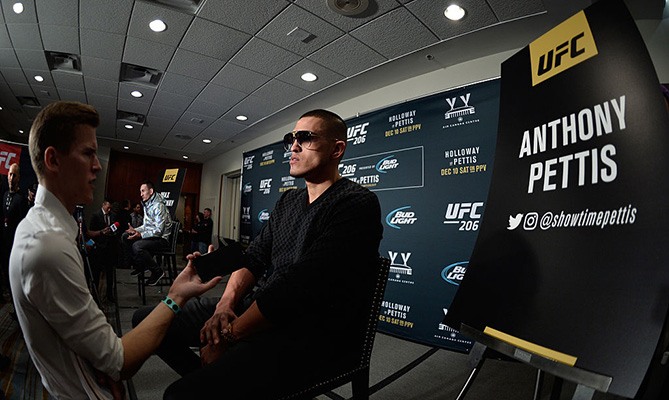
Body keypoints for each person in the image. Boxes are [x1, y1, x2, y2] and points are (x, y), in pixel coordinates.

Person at [133, 109, 383, 398]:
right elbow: (252, 257)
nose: (293, 147)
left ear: (337, 149)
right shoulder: (289, 199)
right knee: (148, 321)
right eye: (292, 139)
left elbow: (298, 289)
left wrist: (228, 336)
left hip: (303, 331)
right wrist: (224, 306)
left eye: (306, 138)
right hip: (256, 307)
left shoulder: (357, 204)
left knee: (178, 395)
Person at [9, 101, 222, 399]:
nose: (97, 165)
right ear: (53, 160)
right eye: (88, 153)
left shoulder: (50, 231)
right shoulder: (48, 247)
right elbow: (118, 362)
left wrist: (94, 363)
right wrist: (176, 297)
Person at [125, 181, 172, 286]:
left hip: (162, 239)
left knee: (137, 246)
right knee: (126, 237)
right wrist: (136, 230)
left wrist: (141, 235)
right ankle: (141, 265)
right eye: (140, 191)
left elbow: (159, 231)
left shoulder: (159, 206)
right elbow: (146, 226)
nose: (141, 194)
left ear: (150, 191)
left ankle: (157, 271)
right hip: (152, 237)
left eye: (143, 191)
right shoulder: (147, 204)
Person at [1, 163, 29, 299]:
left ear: (18, 178)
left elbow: (23, 224)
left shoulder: (21, 199)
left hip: (14, 244)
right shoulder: (5, 194)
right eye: (10, 174)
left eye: (14, 175)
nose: (11, 178)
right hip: (3, 243)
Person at [87, 199, 117, 301]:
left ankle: (109, 295)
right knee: (96, 273)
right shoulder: (96, 215)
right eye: (107, 207)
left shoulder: (113, 216)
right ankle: (95, 295)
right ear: (103, 205)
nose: (109, 210)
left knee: (110, 274)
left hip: (109, 248)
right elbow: (90, 232)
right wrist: (90, 244)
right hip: (98, 248)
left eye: (110, 208)